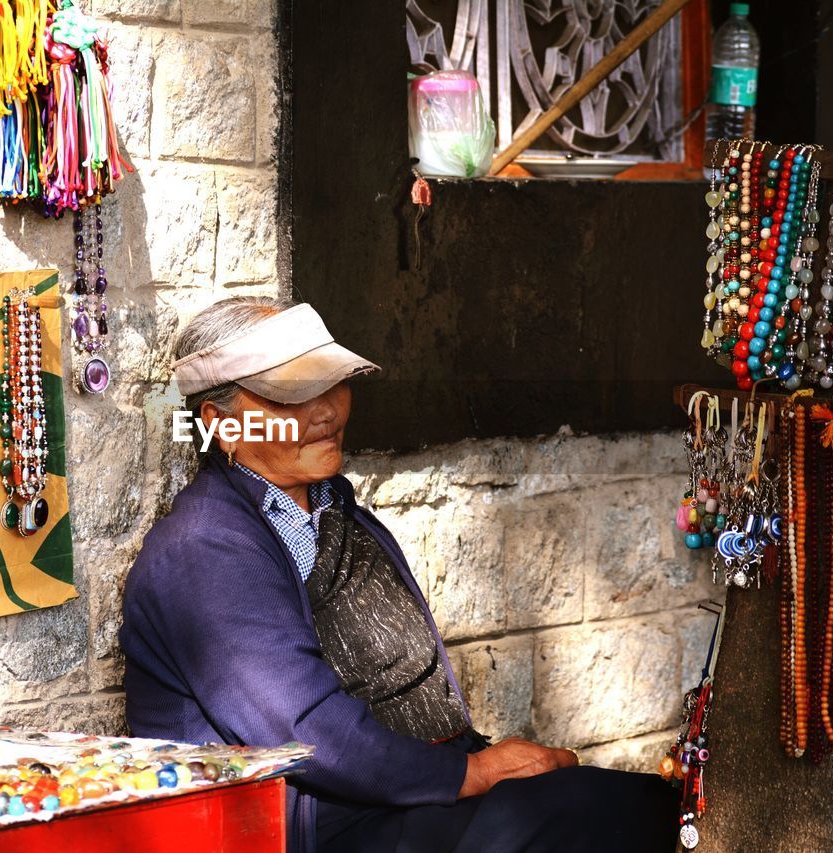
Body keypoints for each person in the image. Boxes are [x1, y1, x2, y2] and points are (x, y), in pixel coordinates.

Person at [121, 296, 678, 852]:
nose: (328, 412)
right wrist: (474, 774)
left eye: (333, 385)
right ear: (224, 426)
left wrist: (476, 765)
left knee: (648, 806)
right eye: (294, 396)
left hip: (410, 792)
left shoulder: (335, 511)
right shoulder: (202, 550)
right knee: (592, 815)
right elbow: (306, 733)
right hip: (329, 823)